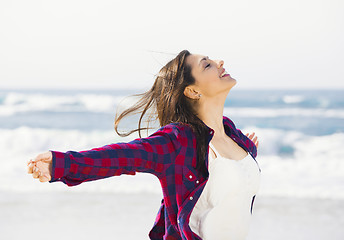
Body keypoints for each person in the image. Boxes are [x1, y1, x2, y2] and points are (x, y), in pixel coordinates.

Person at [27, 49, 261, 240]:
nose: (220, 62)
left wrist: (246, 153)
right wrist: (61, 164)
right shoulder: (178, 142)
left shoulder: (234, 137)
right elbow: (122, 157)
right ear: (192, 90)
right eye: (207, 65)